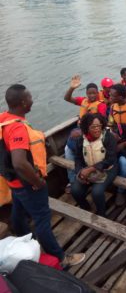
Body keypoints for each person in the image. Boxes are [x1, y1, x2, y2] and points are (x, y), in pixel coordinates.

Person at [0, 84, 85, 267]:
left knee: (18, 212)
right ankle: (62, 258)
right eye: (30, 97)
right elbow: (19, 162)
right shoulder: (17, 129)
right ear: (23, 102)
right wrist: (38, 182)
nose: (32, 100)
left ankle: (23, 239)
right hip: (27, 184)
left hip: (13, 183)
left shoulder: (4, 119)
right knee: (42, 221)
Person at [71, 113, 118, 215]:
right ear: (86, 127)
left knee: (96, 193)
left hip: (108, 169)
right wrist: (81, 172)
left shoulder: (108, 138)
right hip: (87, 168)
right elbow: (78, 158)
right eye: (93, 127)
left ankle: (102, 214)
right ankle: (86, 209)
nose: (97, 129)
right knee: (75, 190)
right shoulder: (81, 140)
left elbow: (110, 159)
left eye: (99, 126)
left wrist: (92, 169)